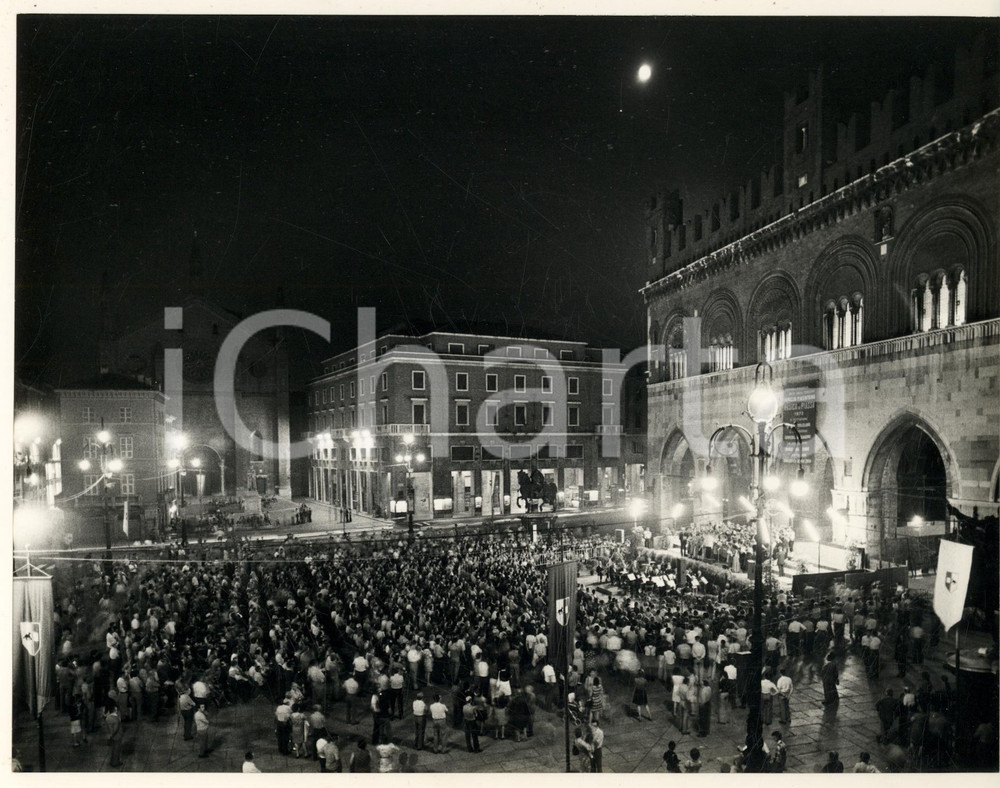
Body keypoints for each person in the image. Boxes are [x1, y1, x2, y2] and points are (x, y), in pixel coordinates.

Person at [105, 704, 123, 768]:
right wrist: (112, 735)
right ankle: (115, 762)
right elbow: (115, 729)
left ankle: (112, 761)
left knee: (113, 749)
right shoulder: (116, 719)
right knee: (117, 749)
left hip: (112, 736)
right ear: (115, 710)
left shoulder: (108, 718)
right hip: (117, 736)